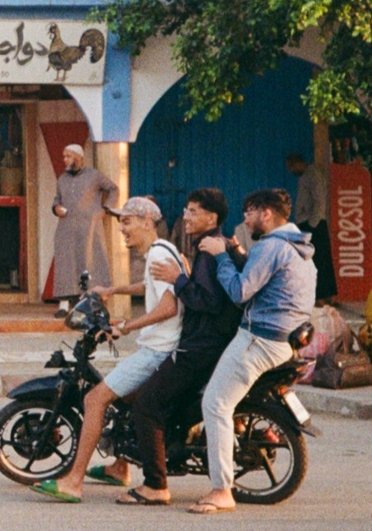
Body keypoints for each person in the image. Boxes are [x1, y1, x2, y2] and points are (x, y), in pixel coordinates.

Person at [30, 197, 182, 503]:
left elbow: (168, 306)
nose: (122, 229)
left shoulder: (157, 255)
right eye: (120, 222)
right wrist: (113, 290)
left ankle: (73, 482)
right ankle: (120, 466)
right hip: (161, 346)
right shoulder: (162, 252)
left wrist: (125, 326)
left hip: (157, 349)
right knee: (123, 399)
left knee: (95, 398)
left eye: (127, 222)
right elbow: (151, 287)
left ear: (147, 222)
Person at [191, 188, 315, 514]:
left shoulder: (272, 246)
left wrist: (220, 255)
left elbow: (239, 290)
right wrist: (235, 251)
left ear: (266, 214)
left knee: (215, 403)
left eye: (249, 212)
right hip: (283, 341)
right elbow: (264, 280)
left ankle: (221, 490)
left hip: (258, 339)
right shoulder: (299, 247)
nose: (245, 219)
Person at [124, 188, 244, 505]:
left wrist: (178, 279)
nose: (186, 217)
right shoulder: (221, 245)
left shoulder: (207, 250)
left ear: (211, 218)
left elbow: (206, 300)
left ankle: (155, 485)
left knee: (147, 404)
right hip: (211, 343)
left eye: (193, 212)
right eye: (186, 210)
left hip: (198, 346)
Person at [51, 144, 118, 313]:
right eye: (64, 156)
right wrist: (56, 208)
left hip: (89, 228)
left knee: (90, 262)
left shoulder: (94, 176)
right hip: (66, 228)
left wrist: (106, 209)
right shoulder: (62, 179)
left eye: (68, 156)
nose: (65, 159)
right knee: (66, 264)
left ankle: (89, 303)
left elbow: (113, 189)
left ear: (78, 158)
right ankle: (64, 305)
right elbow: (56, 199)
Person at [286, 152, 338, 305]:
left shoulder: (312, 174)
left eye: (291, 166)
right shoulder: (305, 176)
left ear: (298, 163)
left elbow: (319, 201)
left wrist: (312, 224)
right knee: (317, 260)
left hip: (314, 225)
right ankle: (323, 295)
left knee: (319, 260)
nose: (291, 170)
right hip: (309, 223)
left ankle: (322, 296)